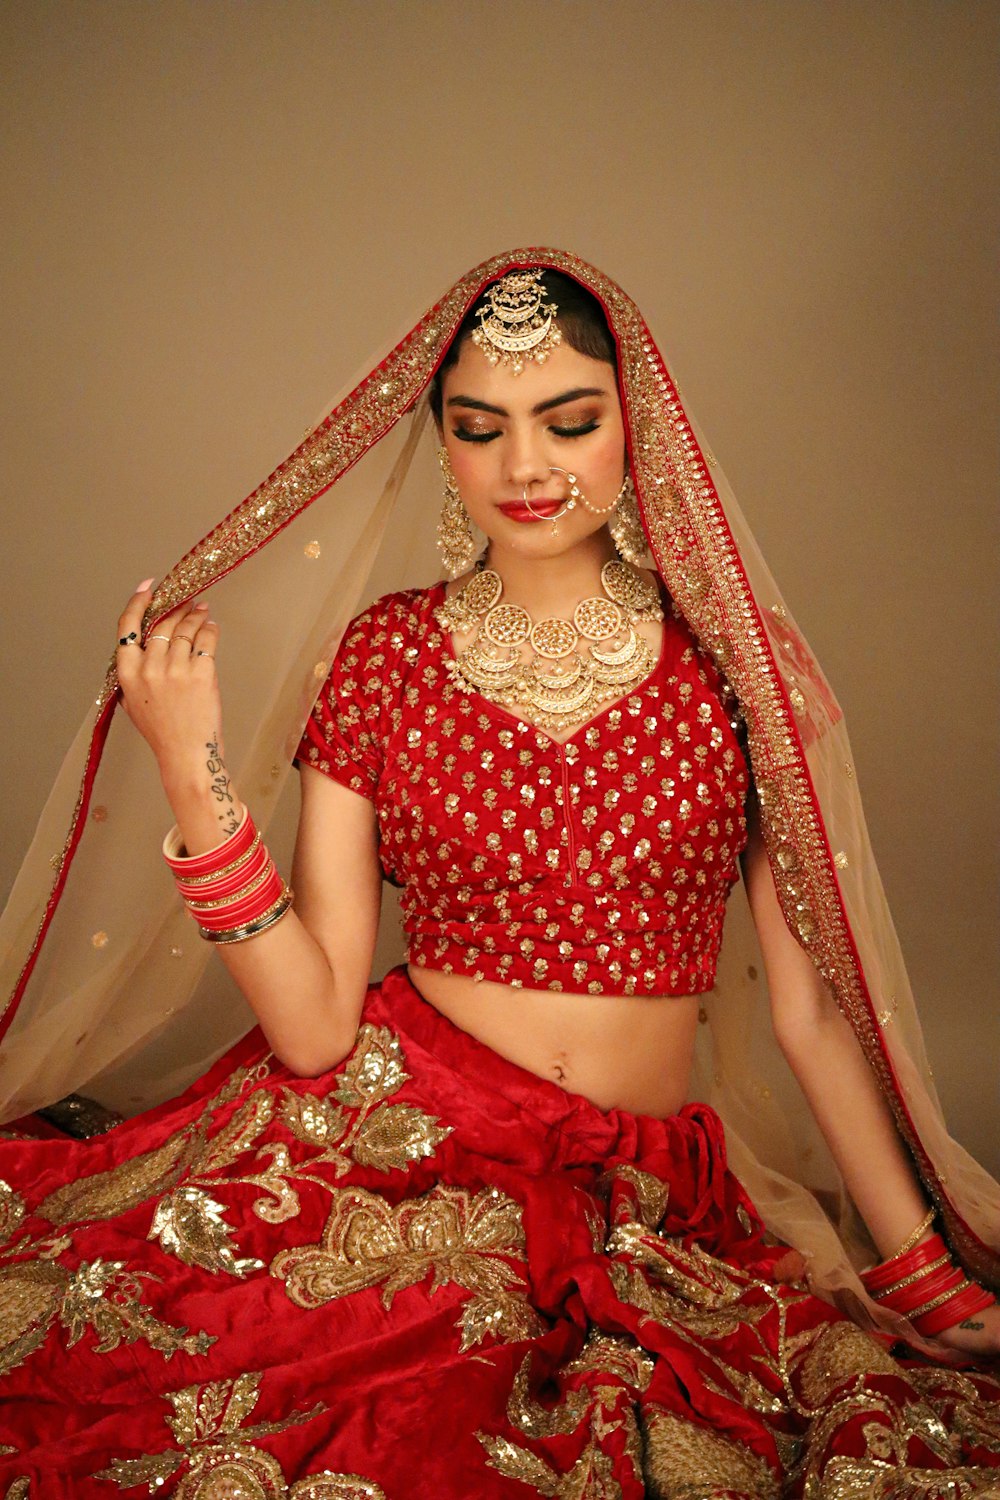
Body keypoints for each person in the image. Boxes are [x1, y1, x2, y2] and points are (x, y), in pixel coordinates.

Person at [0, 253, 997, 1495]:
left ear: (641, 431)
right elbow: (312, 1028)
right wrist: (191, 768)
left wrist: (915, 1265)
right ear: (445, 450)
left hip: (636, 1188)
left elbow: (807, 1012)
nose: (526, 468)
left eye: (570, 422)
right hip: (400, 1138)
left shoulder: (735, 667)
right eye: (480, 431)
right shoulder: (387, 657)